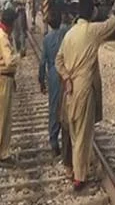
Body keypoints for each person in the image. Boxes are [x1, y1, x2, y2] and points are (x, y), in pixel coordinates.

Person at [55, 0, 115, 191]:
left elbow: (58, 60)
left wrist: (66, 78)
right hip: (83, 87)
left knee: (74, 131)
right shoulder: (92, 31)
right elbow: (113, 23)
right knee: (83, 133)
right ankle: (80, 177)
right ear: (91, 12)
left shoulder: (70, 34)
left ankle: (78, 167)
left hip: (70, 89)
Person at [38, 10, 69, 158]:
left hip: (52, 74)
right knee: (66, 106)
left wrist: (41, 80)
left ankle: (54, 141)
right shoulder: (65, 34)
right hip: (66, 72)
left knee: (54, 107)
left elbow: (42, 61)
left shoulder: (47, 38)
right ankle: (68, 140)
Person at [0, 8, 19, 168]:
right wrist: (18, 57)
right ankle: (3, 153)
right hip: (3, 80)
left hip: (3, 79)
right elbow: (9, 62)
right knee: (4, 118)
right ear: (11, 23)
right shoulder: (3, 38)